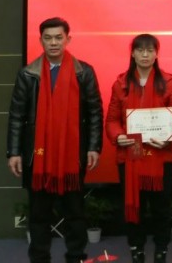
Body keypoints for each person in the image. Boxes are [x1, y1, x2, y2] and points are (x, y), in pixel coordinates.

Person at [6, 17, 103, 263]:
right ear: (40, 41)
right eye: (48, 38)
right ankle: (39, 258)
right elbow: (16, 115)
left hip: (72, 155)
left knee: (75, 213)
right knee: (39, 215)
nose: (53, 43)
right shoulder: (28, 74)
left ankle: (76, 257)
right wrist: (14, 152)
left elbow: (94, 112)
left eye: (58, 37)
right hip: (37, 156)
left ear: (68, 39)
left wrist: (94, 147)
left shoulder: (84, 72)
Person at [105, 34, 172, 263]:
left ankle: (161, 251)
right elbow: (112, 119)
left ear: (156, 54)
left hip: (162, 157)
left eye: (150, 50)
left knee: (161, 208)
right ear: (132, 53)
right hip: (130, 155)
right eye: (140, 50)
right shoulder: (121, 83)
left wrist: (169, 138)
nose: (145, 55)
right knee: (134, 208)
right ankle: (136, 250)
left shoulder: (168, 82)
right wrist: (118, 136)